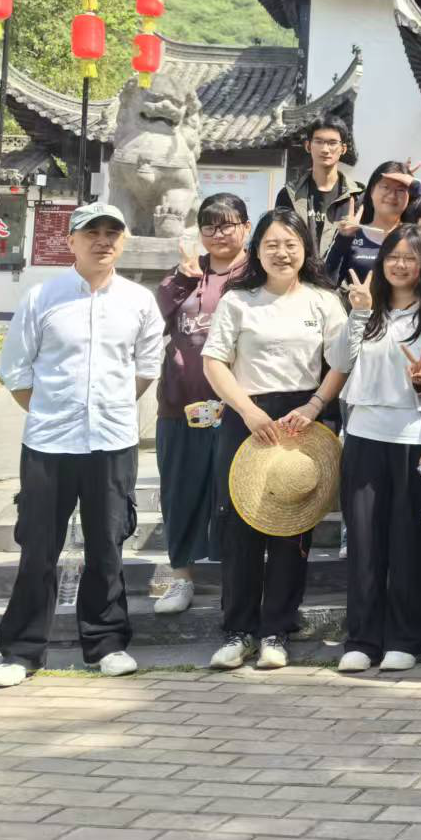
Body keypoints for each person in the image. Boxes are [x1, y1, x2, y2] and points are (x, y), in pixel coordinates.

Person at [0, 202, 163, 689]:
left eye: (112, 233)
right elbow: (15, 369)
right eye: (91, 233)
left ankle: (107, 643)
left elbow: (147, 367)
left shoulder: (138, 301)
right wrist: (52, 411)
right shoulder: (42, 297)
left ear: (123, 242)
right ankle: (21, 651)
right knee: (38, 548)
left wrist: (108, 407)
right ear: (71, 241)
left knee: (107, 544)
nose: (102, 241)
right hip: (49, 442)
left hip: (112, 441)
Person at [201, 207, 349, 671]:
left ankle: (276, 631)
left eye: (291, 244)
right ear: (256, 250)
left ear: (306, 249)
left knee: (291, 528)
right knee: (240, 527)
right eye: (272, 245)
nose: (282, 253)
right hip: (246, 418)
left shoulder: (324, 300)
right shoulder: (237, 301)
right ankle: (238, 631)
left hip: (301, 419)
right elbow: (214, 361)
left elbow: (341, 362)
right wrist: (247, 410)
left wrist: (314, 406)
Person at [332, 226, 421, 673]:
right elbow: (340, 363)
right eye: (392, 256)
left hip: (415, 439)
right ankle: (362, 638)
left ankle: (406, 637)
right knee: (364, 542)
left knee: (410, 544)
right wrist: (358, 313)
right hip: (364, 435)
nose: (400, 265)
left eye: (410, 257)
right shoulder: (369, 308)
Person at [152, 192, 250, 618]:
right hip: (182, 404)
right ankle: (181, 576)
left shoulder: (257, 275)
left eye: (227, 224)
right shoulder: (189, 272)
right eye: (209, 225)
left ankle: (240, 579)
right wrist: (181, 277)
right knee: (181, 493)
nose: (218, 233)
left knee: (238, 495)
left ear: (246, 227)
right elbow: (155, 314)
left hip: (240, 407)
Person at [277, 115, 364, 266]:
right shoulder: (289, 194)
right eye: (318, 142)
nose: (325, 149)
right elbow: (279, 236)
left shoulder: (358, 197)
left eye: (332, 143)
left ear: (343, 149)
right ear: (308, 146)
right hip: (300, 275)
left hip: (341, 277)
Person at [327, 160, 420, 286]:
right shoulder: (351, 232)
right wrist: (343, 239)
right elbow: (328, 282)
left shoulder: (415, 237)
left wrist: (417, 186)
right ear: (371, 191)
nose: (392, 195)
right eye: (385, 187)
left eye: (400, 190)